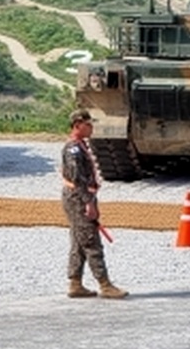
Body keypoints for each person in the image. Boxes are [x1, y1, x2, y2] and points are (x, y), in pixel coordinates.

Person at [61, 108, 127, 299]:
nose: (91, 128)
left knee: (79, 241)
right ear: (77, 125)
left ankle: (75, 283)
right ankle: (105, 284)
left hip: (78, 196)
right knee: (90, 241)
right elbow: (77, 178)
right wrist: (88, 202)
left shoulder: (80, 145)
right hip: (78, 197)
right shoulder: (73, 149)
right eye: (88, 124)